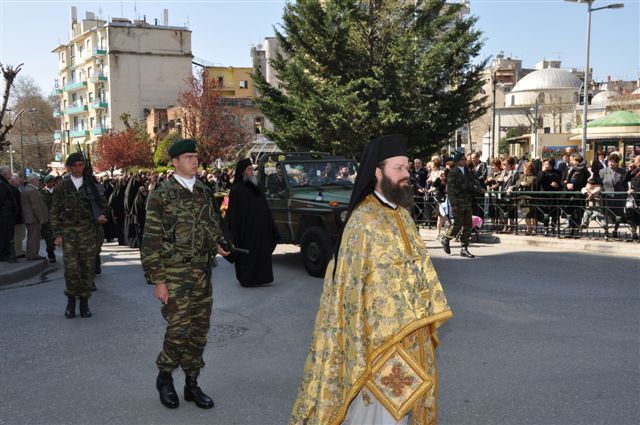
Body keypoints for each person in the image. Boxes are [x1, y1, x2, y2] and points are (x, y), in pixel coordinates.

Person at [289, 134, 451, 425]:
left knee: (399, 414)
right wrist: (362, 342)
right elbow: (348, 294)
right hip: (374, 345)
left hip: (407, 337)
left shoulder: (402, 215)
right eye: (397, 168)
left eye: (407, 168)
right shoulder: (362, 221)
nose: (406, 175)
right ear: (378, 172)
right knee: (377, 416)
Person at [141, 139, 229, 410]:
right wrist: (158, 280)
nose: (195, 161)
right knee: (178, 330)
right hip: (175, 273)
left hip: (202, 272)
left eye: (196, 156)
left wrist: (220, 243)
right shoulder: (162, 194)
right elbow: (151, 241)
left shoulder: (203, 190)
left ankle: (192, 383)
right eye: (189, 157)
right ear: (175, 162)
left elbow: (211, 225)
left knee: (199, 330)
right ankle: (165, 377)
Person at [50, 152, 107, 318]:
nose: (78, 168)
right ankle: (71, 302)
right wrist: (57, 234)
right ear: (69, 167)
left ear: (84, 166)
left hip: (88, 233)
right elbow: (54, 211)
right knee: (71, 269)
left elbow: (103, 205)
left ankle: (84, 301)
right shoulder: (62, 186)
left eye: (81, 165)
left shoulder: (92, 184)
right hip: (68, 233)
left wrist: (102, 215)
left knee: (87, 269)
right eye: (74, 166)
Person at [226, 158, 279, 287]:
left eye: (251, 169)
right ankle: (247, 279)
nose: (252, 172)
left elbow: (264, 207)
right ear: (243, 172)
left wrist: (269, 224)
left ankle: (262, 278)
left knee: (262, 253)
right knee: (247, 255)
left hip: (261, 228)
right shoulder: (237, 189)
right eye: (249, 169)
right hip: (246, 231)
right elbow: (234, 214)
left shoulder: (256, 186)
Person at [440, 151, 477, 258]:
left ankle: (464, 248)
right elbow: (450, 190)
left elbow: (470, 184)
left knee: (468, 226)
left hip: (467, 201)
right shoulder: (453, 172)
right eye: (462, 159)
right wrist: (453, 205)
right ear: (457, 161)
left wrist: (477, 189)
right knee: (458, 225)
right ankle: (446, 238)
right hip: (458, 202)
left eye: (465, 159)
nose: (464, 161)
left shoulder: (466, 171)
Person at [20, 173, 48, 260]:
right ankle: (33, 254)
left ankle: (30, 253)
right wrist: (41, 218)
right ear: (33, 180)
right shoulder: (32, 191)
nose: (39, 182)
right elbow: (36, 206)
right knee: (34, 238)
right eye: (37, 180)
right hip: (33, 218)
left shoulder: (26, 189)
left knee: (31, 237)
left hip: (29, 218)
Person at [0, 166, 19, 261]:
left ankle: (6, 253)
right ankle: (4, 254)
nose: (10, 174)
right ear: (3, 173)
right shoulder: (2, 184)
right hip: (5, 215)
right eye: (8, 172)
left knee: (7, 235)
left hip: (7, 214)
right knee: (5, 235)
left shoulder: (4, 183)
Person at [40, 175, 57, 262]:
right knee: (49, 237)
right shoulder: (42, 192)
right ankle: (51, 253)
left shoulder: (57, 191)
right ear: (46, 183)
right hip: (47, 218)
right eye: (49, 182)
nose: (51, 183)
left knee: (57, 236)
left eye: (52, 181)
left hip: (57, 218)